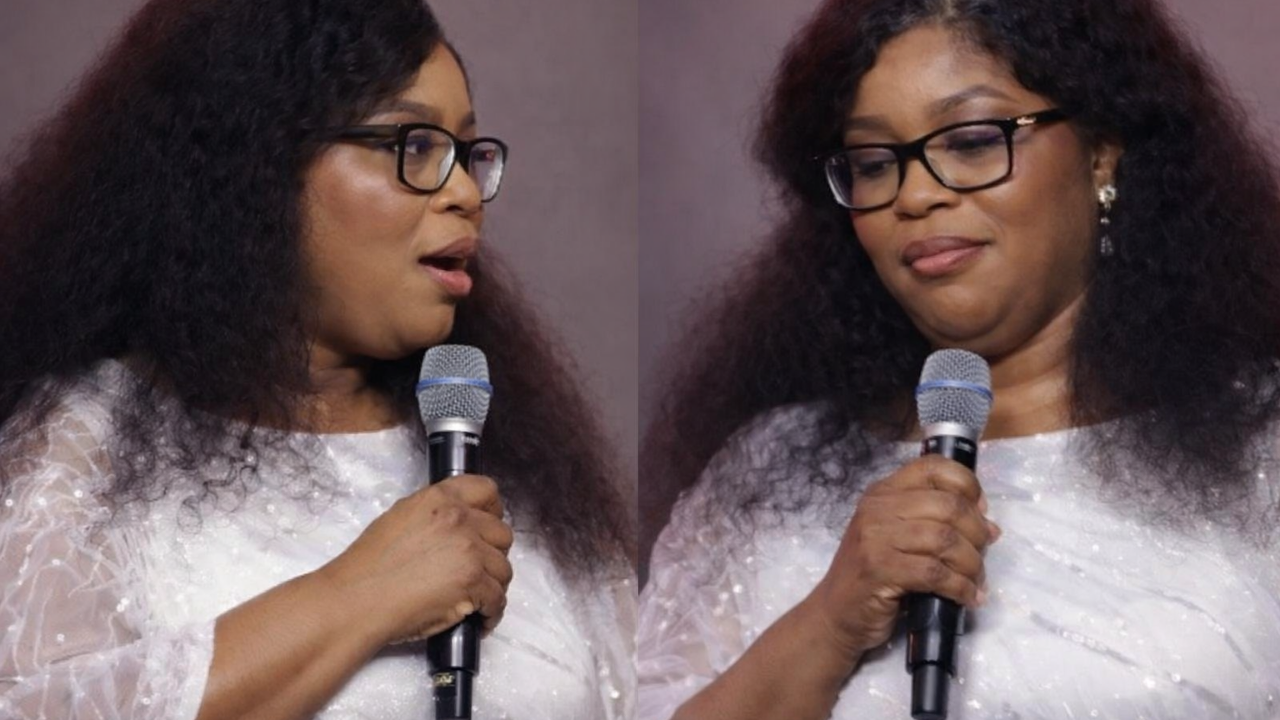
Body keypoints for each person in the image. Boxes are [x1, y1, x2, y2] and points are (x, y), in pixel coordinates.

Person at [637, 0, 1280, 718]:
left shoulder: (1262, 453)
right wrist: (831, 621)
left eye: (972, 142)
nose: (915, 195)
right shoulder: (770, 473)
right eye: (874, 163)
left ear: (1101, 152)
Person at [0, 1, 634, 718]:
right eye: (415, 146)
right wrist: (364, 593)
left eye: (466, 154)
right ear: (258, 166)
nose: (464, 193)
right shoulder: (88, 449)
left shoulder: (511, 449)